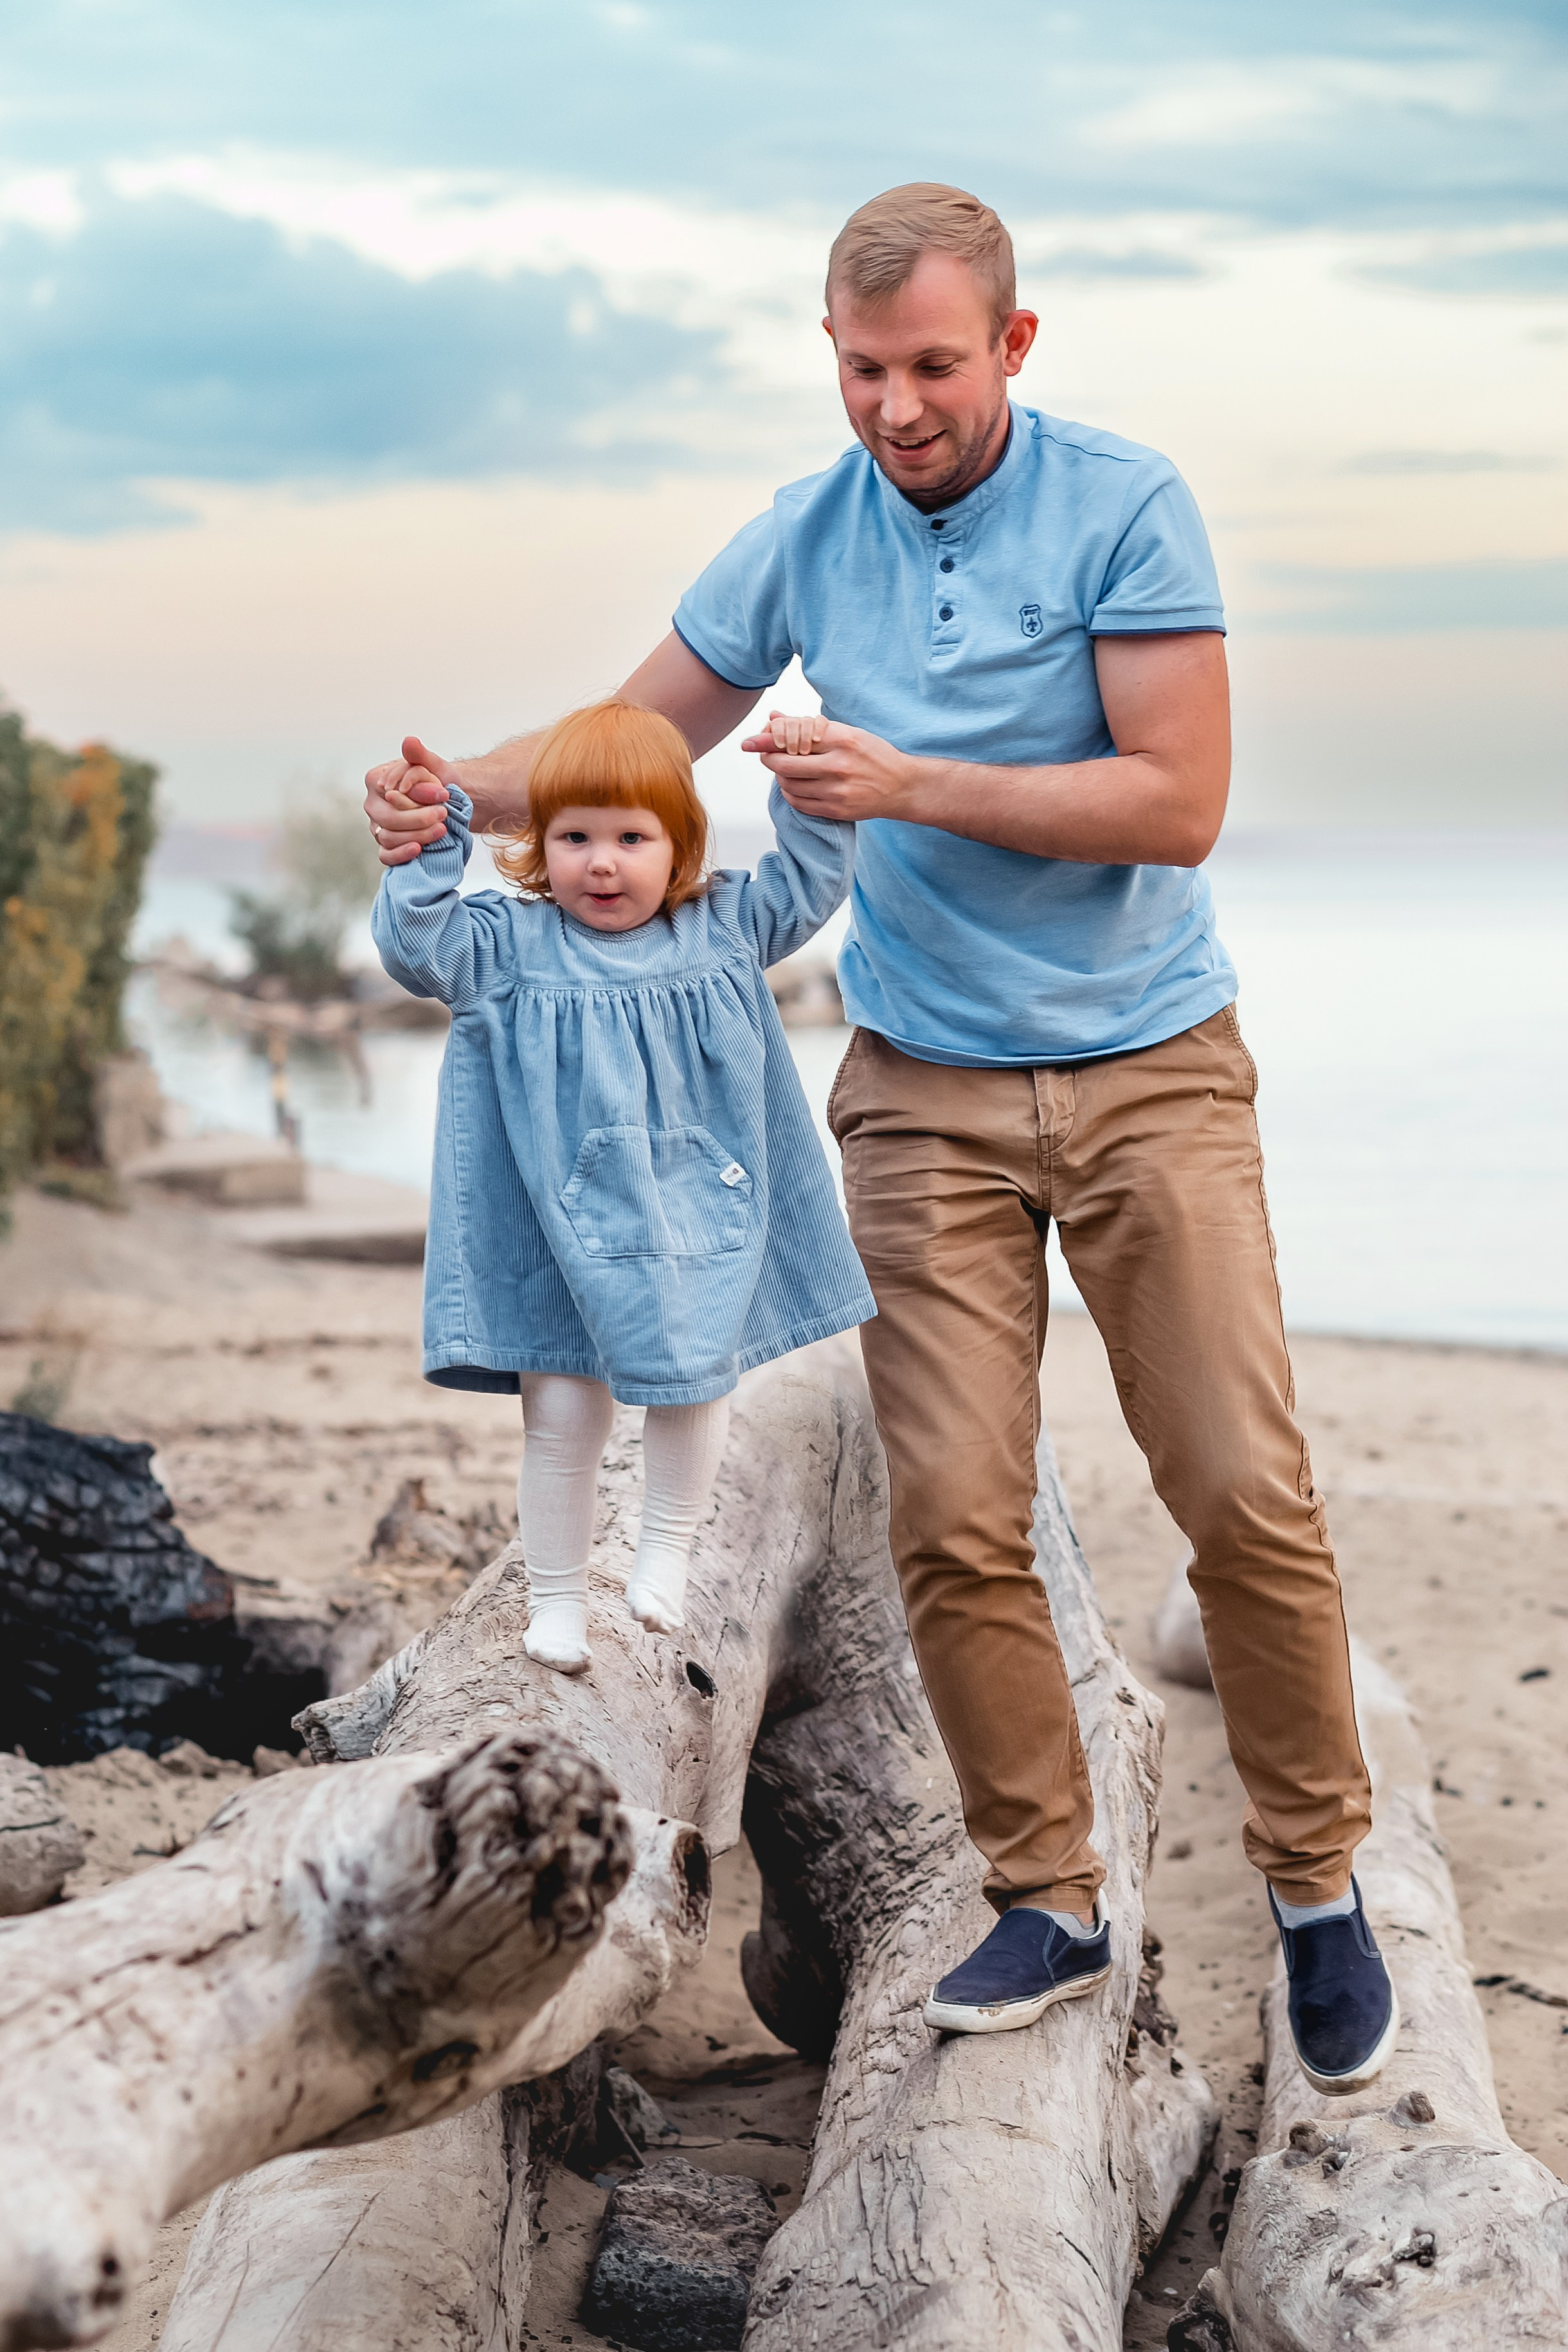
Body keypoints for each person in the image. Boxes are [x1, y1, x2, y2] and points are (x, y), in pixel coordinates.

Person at [365, 184, 1398, 2095]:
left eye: (932, 364)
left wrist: (907, 780)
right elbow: (638, 733)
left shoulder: (1126, 503)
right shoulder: (808, 532)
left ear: (1012, 344)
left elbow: (1179, 800)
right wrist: (451, 784)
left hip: (1152, 1062)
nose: (896, 406)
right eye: (862, 370)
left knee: (1240, 1485)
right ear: (828, 355)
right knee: (952, 1510)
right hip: (918, 1084)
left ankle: (1320, 1878)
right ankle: (1048, 1891)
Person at [371, 697, 874, 1673]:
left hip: (693, 1214)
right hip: (555, 1224)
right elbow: (414, 946)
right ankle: (555, 1598)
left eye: (632, 836)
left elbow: (813, 880)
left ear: (680, 843)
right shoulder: (509, 946)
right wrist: (429, 846)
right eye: (575, 837)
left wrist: (804, 781)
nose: (603, 863)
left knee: (695, 1377)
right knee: (561, 1413)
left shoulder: (726, 924)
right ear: (539, 845)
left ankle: (668, 1549)